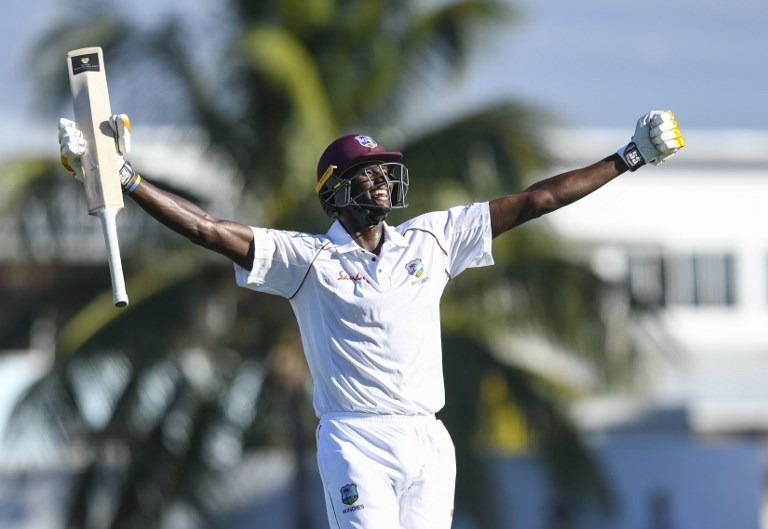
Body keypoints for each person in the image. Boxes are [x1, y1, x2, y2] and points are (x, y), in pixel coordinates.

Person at [58, 110, 685, 529]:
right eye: (368, 174)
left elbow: (534, 200)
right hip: (355, 440)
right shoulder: (308, 258)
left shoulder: (432, 241)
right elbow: (209, 229)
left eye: (387, 172)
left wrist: (626, 156)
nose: (383, 182)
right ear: (336, 190)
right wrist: (125, 179)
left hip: (428, 440)